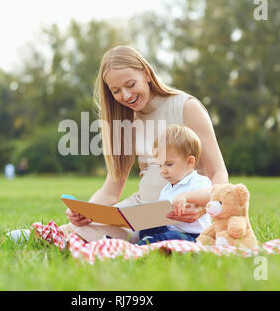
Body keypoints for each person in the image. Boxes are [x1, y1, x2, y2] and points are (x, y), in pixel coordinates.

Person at [62, 45, 228, 244]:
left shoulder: (187, 107)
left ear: (147, 74)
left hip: (180, 216)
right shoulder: (126, 120)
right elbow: (111, 191)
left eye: (131, 84)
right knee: (76, 230)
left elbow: (218, 173)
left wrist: (203, 207)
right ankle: (23, 236)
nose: (125, 95)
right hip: (140, 213)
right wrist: (86, 212)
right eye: (116, 91)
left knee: (82, 236)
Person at [137, 124, 211, 245]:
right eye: (160, 165)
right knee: (147, 227)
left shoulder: (198, 181)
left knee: (172, 236)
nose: (163, 170)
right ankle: (147, 242)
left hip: (194, 236)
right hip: (169, 230)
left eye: (169, 164)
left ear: (190, 162)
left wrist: (186, 196)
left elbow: (211, 195)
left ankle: (148, 244)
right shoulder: (166, 189)